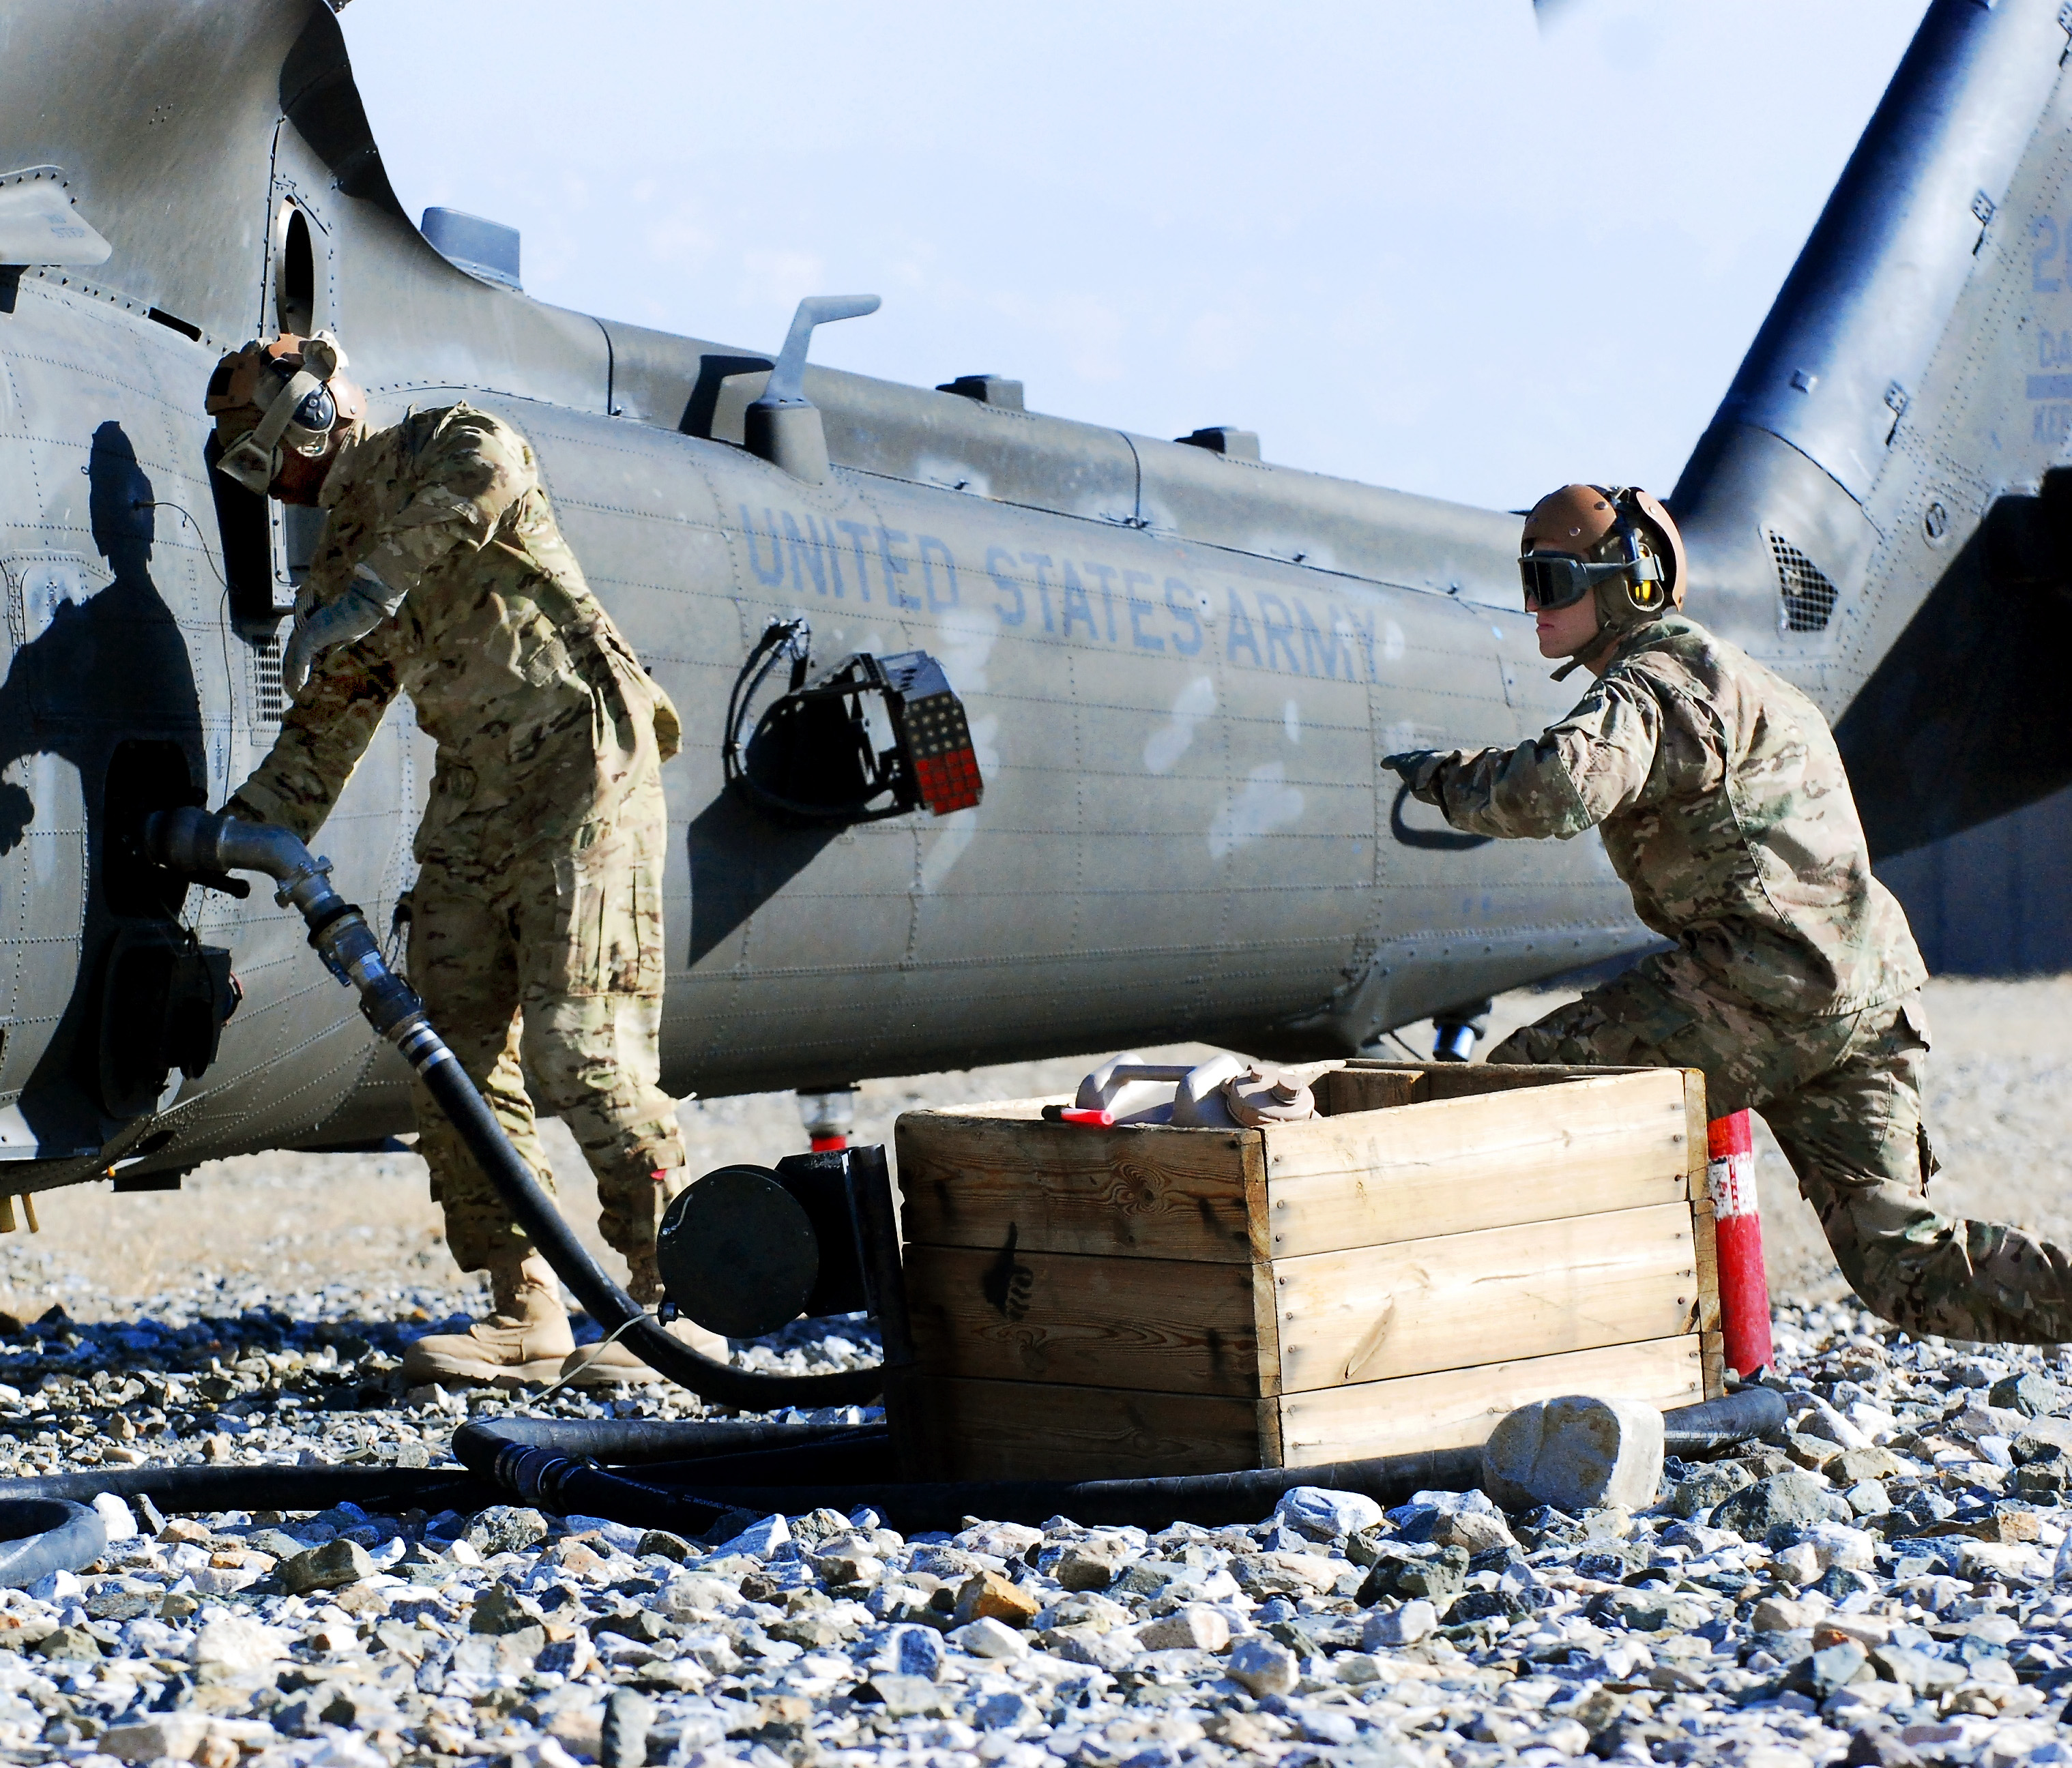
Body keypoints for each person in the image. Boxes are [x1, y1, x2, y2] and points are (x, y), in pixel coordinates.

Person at [1383, 483, 2072, 1344]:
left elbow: (1556, 790)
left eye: (1551, 580)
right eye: (1527, 580)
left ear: (1628, 584)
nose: (1532, 606)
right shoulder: (1742, 678)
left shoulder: (1656, 683)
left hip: (1766, 988)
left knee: (1520, 1087)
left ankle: (1495, 1337)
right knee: (1905, 1266)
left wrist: (1442, 778)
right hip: (1863, 992)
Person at [205, 331, 722, 1385]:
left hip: (584, 760)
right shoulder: (342, 551)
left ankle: (672, 1304)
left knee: (579, 1045)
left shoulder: (450, 443)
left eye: (262, 443)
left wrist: (364, 599)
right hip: (476, 789)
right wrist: (223, 834)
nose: (274, 478)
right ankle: (522, 1309)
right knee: (451, 1049)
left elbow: (488, 480)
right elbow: (325, 733)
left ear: (311, 412)